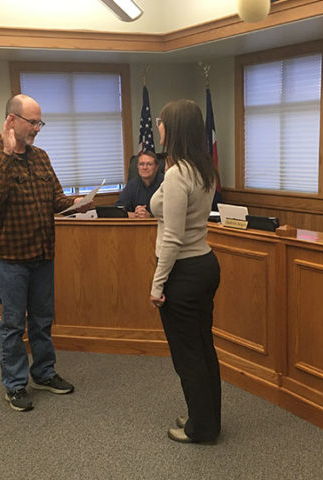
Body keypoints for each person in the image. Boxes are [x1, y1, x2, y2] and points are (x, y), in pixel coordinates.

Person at [0, 94, 88, 412]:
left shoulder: (41, 157)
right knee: (13, 325)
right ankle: (14, 385)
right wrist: (10, 155)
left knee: (42, 321)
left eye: (40, 122)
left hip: (43, 255)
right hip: (11, 259)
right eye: (33, 122)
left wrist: (78, 204)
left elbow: (55, 199)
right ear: (12, 120)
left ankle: (43, 373)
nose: (38, 129)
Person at [149, 99, 221, 444]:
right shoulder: (199, 168)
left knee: (188, 355)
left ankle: (200, 429)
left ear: (175, 128)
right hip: (204, 265)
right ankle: (205, 418)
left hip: (184, 271)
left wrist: (156, 285)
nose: (158, 126)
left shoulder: (178, 174)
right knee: (203, 348)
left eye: (163, 122)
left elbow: (173, 239)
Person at [115, 150, 164, 218]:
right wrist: (136, 215)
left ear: (156, 167)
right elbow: (118, 211)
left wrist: (150, 216)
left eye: (149, 164)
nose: (144, 168)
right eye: (141, 164)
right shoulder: (132, 185)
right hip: (136, 226)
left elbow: (171, 212)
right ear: (137, 166)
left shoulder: (165, 183)